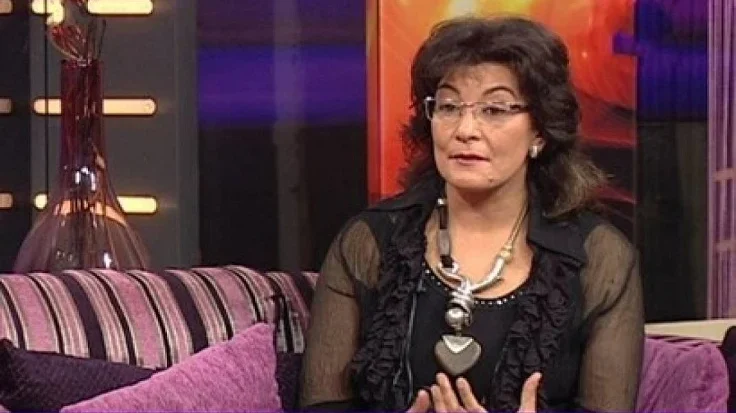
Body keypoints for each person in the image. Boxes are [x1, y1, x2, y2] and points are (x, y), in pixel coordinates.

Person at [299, 15, 644, 413]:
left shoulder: (598, 259)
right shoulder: (369, 242)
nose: (465, 129)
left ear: (540, 131)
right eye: (448, 107)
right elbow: (320, 404)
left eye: (494, 110)